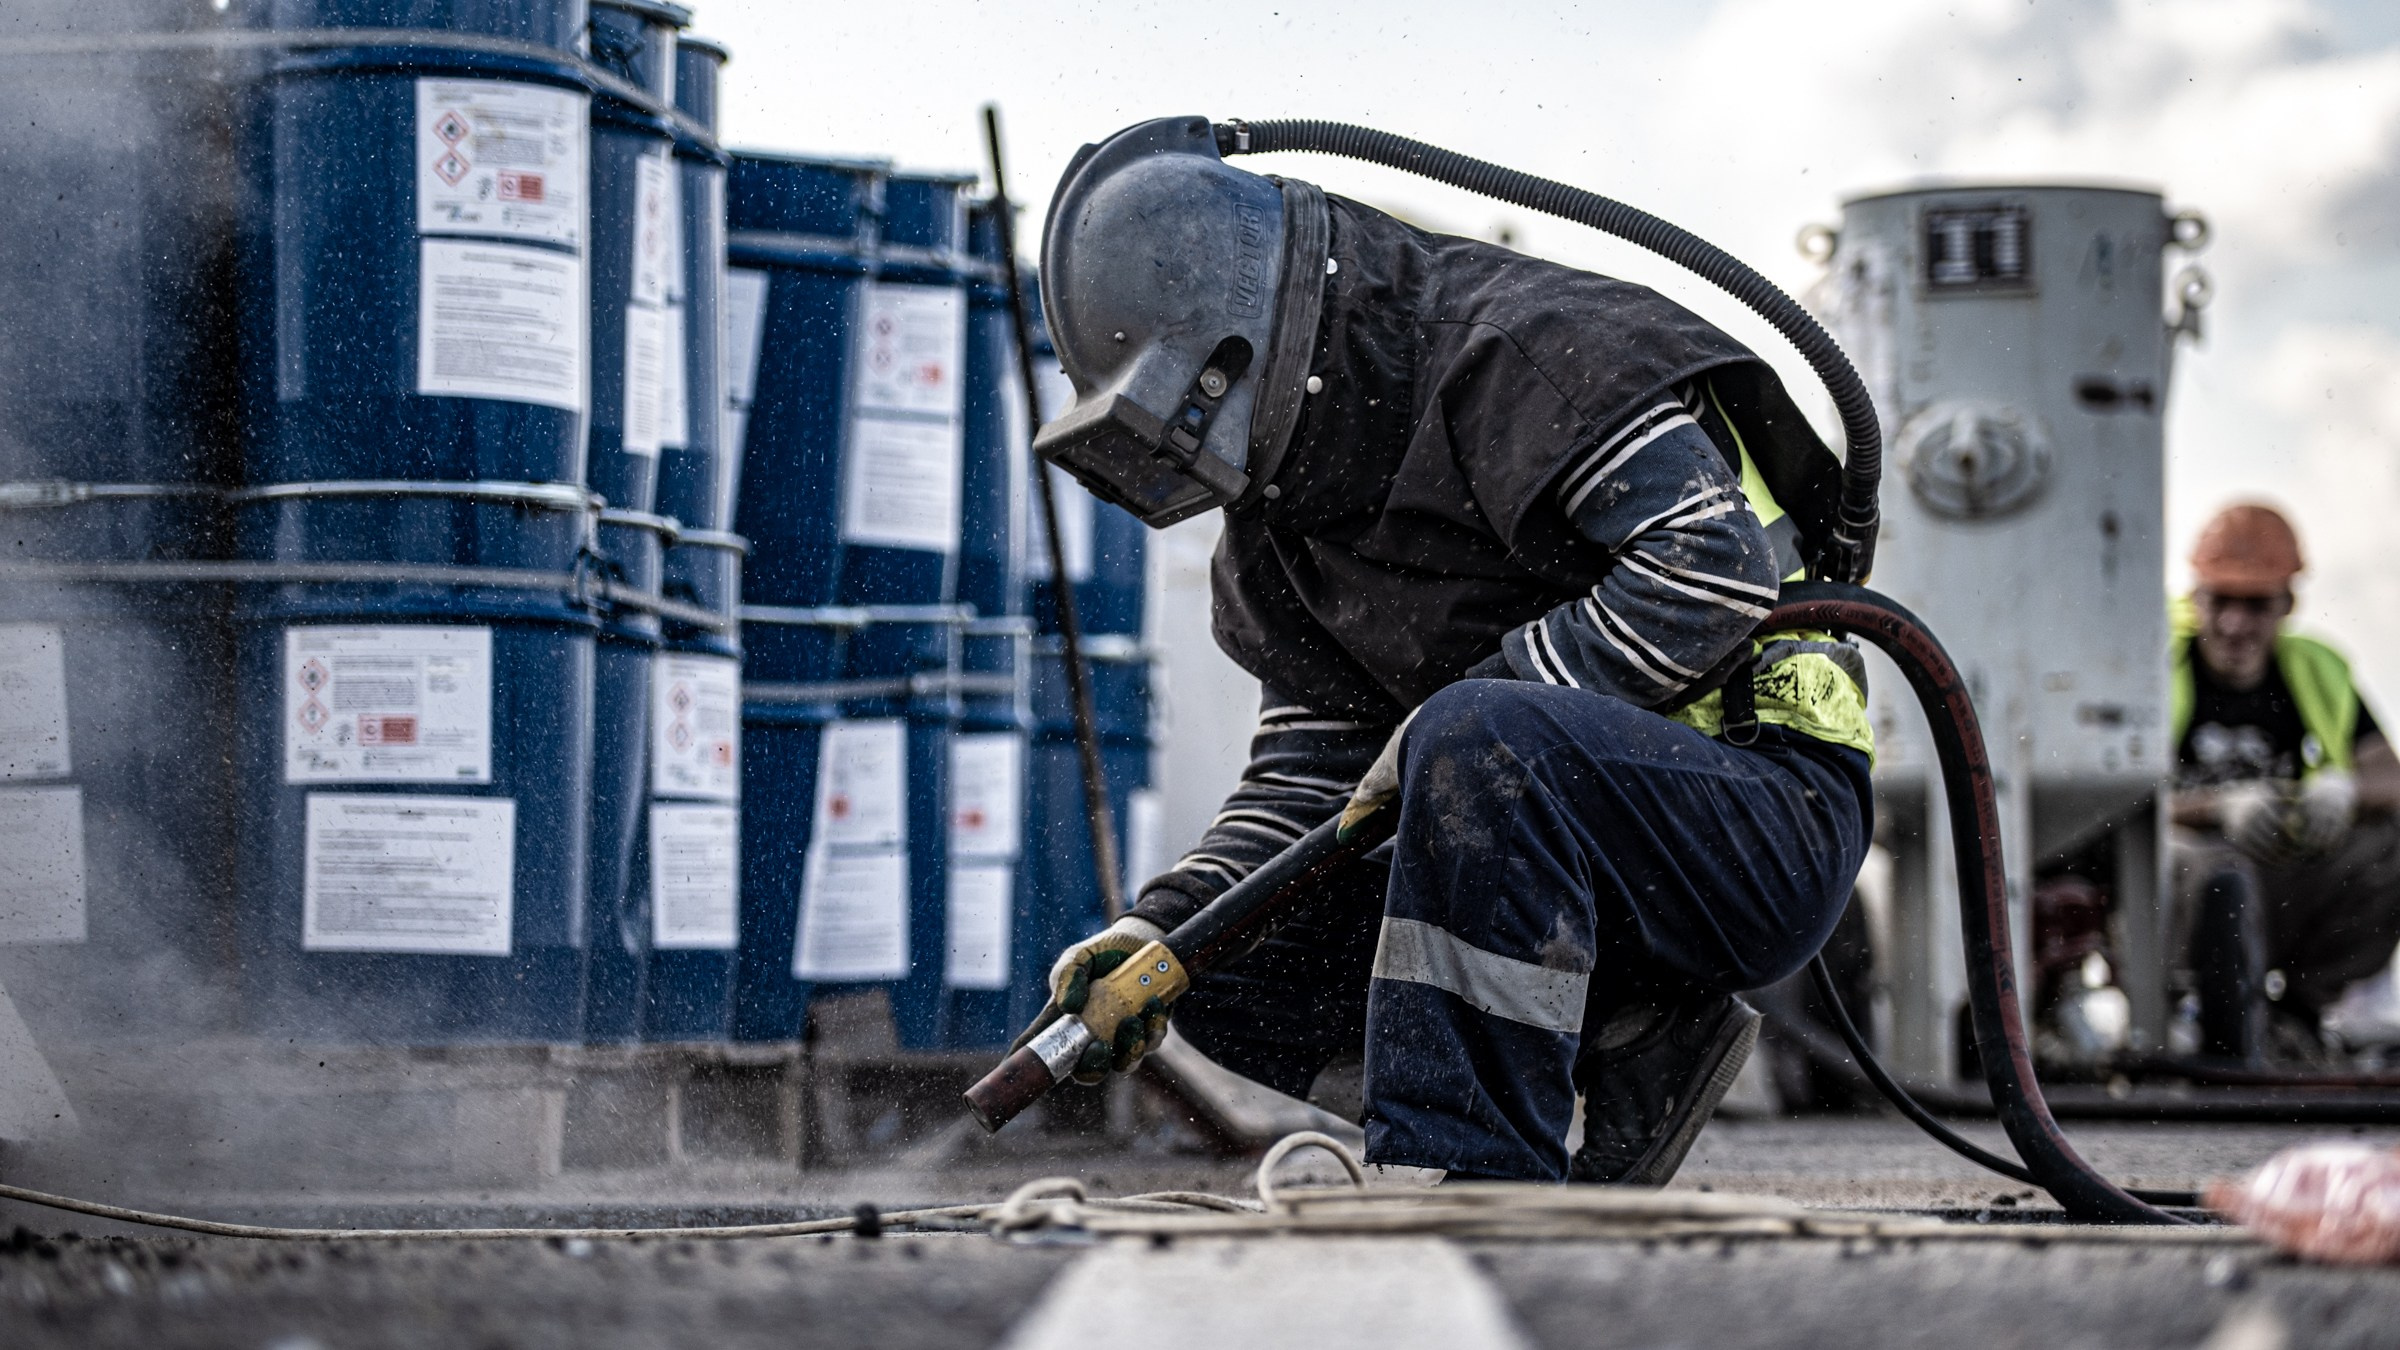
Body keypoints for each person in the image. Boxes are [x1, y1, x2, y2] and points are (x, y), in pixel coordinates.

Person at [1028, 118, 1872, 1184]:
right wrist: (1160, 927)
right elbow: (1307, 788)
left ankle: (1464, 1170)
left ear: (1241, 349)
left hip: (1755, 817)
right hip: (1546, 860)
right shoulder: (1285, 521)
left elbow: (1708, 569)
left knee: (1478, 738)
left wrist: (1450, 729)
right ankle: (1627, 1034)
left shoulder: (1522, 351)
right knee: (1219, 960)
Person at [2168, 503, 2400, 1061]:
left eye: (2256, 604)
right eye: (2221, 601)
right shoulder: (2149, 664)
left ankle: (2297, 1015)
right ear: (2196, 597)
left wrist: (2343, 792)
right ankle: (2179, 1012)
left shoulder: (2317, 669)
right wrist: (2218, 808)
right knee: (2201, 870)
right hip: (2182, 883)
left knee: (2389, 845)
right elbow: (2112, 803)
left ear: (2287, 604)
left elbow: (2390, 777)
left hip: (2280, 873)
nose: (2235, 624)